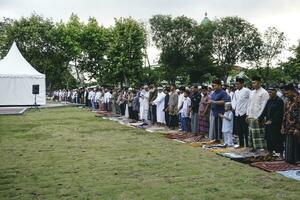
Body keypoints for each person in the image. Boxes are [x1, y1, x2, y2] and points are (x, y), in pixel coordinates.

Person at [246, 76, 269, 152]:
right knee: (251, 133)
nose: (253, 84)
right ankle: (253, 147)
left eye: (254, 83)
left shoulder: (264, 92)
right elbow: (249, 104)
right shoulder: (252, 92)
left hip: (259, 117)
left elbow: (264, 106)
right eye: (252, 83)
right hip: (251, 116)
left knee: (259, 134)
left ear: (259, 82)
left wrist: (261, 117)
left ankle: (261, 149)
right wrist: (247, 115)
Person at [260, 87, 284, 157]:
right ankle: (270, 151)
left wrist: (272, 120)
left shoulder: (279, 101)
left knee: (277, 138)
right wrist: (260, 118)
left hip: (276, 123)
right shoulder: (269, 100)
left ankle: (281, 154)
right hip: (268, 123)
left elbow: (279, 112)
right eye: (269, 92)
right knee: (268, 138)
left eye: (271, 92)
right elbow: (265, 110)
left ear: (275, 92)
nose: (269, 93)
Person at [281, 83, 300, 164]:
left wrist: (298, 128)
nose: (286, 95)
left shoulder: (298, 100)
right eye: (284, 94)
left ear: (292, 91)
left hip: (296, 128)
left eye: (287, 93)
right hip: (288, 127)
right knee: (289, 157)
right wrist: (282, 126)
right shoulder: (288, 101)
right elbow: (285, 114)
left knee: (297, 146)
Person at [232, 77, 251, 148]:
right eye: (236, 84)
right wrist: (234, 107)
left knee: (245, 130)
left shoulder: (247, 91)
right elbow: (234, 101)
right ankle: (241, 144)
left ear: (242, 84)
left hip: (244, 113)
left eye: (238, 84)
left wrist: (248, 113)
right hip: (237, 113)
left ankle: (247, 145)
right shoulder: (236, 92)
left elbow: (250, 101)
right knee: (239, 130)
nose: (236, 86)